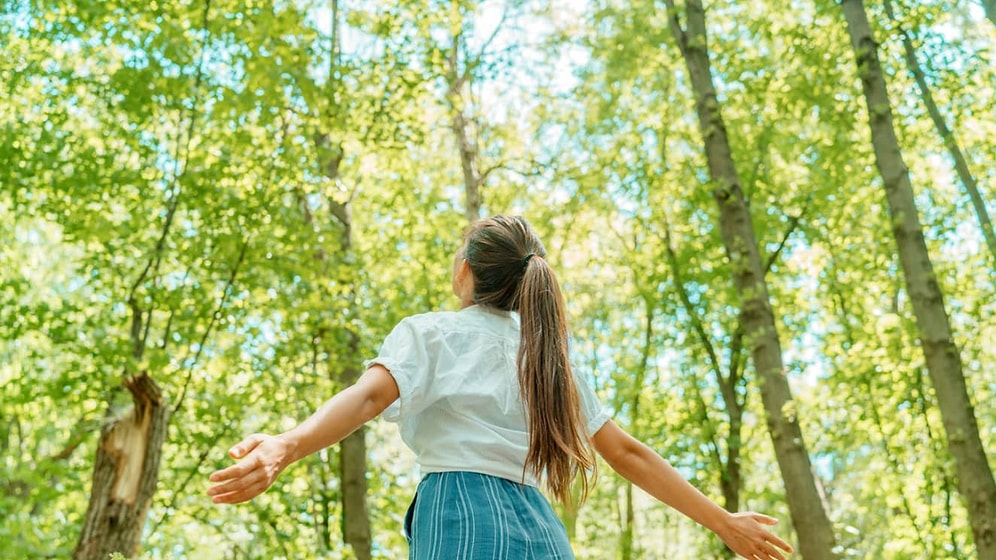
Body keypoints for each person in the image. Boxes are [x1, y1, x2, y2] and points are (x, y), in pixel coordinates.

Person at [208, 215, 794, 560]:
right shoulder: (549, 360)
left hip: (460, 513)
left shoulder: (432, 333)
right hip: (542, 528)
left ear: (465, 269)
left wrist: (287, 443)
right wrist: (723, 522)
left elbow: (366, 398)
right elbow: (627, 453)